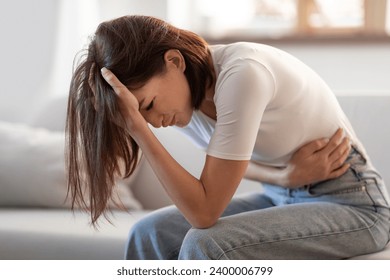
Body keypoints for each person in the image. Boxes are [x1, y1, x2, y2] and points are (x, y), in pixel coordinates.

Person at [66, 15, 390, 259]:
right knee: (148, 232)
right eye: (140, 115)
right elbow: (234, 166)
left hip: (354, 203)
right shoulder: (183, 99)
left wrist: (136, 128)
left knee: (205, 243)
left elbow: (204, 212)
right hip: (282, 194)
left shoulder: (243, 74)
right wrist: (286, 176)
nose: (152, 121)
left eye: (147, 106)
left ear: (174, 61)